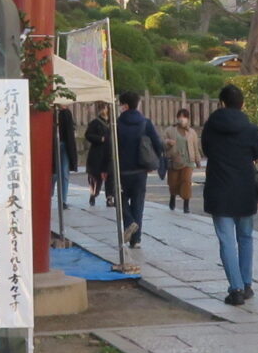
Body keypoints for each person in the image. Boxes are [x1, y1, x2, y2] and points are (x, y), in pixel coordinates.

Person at [200, 85, 258, 305]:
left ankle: (235, 288)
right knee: (245, 237)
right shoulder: (251, 129)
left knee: (226, 240)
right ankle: (246, 284)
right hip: (245, 190)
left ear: (222, 103)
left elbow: (206, 150)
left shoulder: (211, 127)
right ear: (242, 104)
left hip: (219, 188)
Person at [115, 92, 166, 246]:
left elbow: (110, 148)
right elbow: (158, 145)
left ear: (124, 105)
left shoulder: (117, 124)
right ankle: (136, 240)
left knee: (120, 198)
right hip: (140, 171)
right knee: (138, 203)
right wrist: (152, 162)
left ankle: (129, 222)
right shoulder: (146, 123)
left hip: (122, 170)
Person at [164, 110, 200, 213]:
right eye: (180, 116)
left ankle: (186, 203)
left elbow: (195, 147)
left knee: (186, 181)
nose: (182, 118)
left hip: (188, 161)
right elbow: (162, 143)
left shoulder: (191, 132)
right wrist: (168, 142)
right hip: (174, 160)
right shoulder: (170, 130)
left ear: (188, 118)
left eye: (184, 117)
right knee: (173, 182)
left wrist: (197, 160)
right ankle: (173, 197)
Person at [52, 103, 80, 218]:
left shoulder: (66, 113)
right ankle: (54, 196)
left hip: (63, 144)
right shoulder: (53, 112)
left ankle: (63, 199)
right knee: (55, 173)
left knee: (63, 172)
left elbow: (69, 133)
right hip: (55, 144)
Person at [84, 109, 112, 207]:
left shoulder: (113, 122)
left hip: (110, 153)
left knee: (110, 176)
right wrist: (100, 139)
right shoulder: (95, 123)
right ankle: (94, 193)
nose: (104, 110)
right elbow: (88, 135)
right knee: (96, 177)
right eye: (103, 108)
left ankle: (110, 197)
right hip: (97, 153)